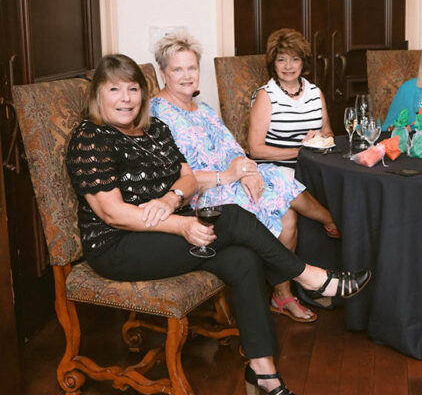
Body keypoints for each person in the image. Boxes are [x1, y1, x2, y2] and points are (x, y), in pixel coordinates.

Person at [66, 54, 370, 395]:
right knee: (233, 217)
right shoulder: (91, 137)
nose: (125, 98)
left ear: (142, 93)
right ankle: (309, 276)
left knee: (242, 259)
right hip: (118, 245)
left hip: (160, 227)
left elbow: (188, 179)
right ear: (98, 95)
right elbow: (113, 214)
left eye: (133, 89)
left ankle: (263, 372)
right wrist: (181, 225)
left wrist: (170, 199)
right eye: (114, 89)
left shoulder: (155, 128)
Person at [150, 32, 340, 324]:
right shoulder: (157, 114)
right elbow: (172, 176)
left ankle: (282, 294)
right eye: (178, 69)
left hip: (230, 179)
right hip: (200, 193)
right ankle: (329, 226)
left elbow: (232, 147)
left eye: (192, 68)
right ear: (163, 73)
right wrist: (227, 175)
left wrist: (247, 169)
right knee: (281, 193)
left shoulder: (203, 108)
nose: (187, 76)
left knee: (285, 204)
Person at [248, 28, 333, 168]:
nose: (288, 66)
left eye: (295, 59)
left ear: (302, 62)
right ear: (273, 64)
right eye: (281, 60)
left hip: (312, 168)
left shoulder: (315, 92)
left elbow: (328, 133)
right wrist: (300, 152)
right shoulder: (265, 96)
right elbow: (255, 150)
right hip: (276, 171)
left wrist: (319, 140)